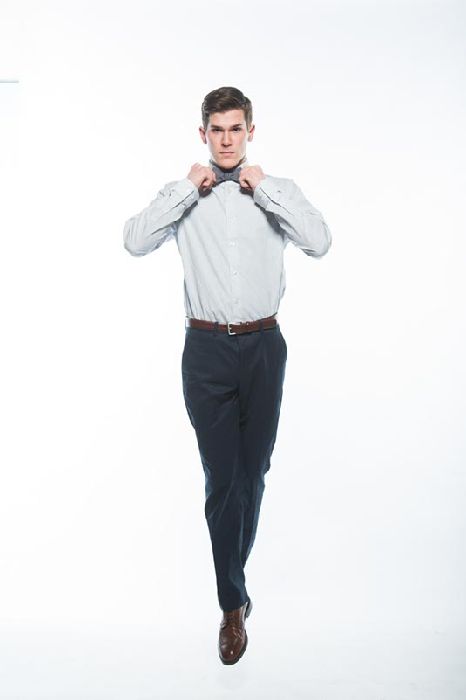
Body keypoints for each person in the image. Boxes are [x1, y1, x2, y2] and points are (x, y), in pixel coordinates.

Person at [123, 86, 332, 665]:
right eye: (217, 130)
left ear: (250, 132)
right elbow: (134, 241)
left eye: (235, 128)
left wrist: (264, 189)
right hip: (207, 349)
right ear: (203, 134)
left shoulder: (275, 190)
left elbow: (319, 242)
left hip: (264, 346)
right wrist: (185, 189)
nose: (226, 140)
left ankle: (231, 579)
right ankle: (232, 604)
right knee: (222, 477)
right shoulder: (185, 195)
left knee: (252, 474)